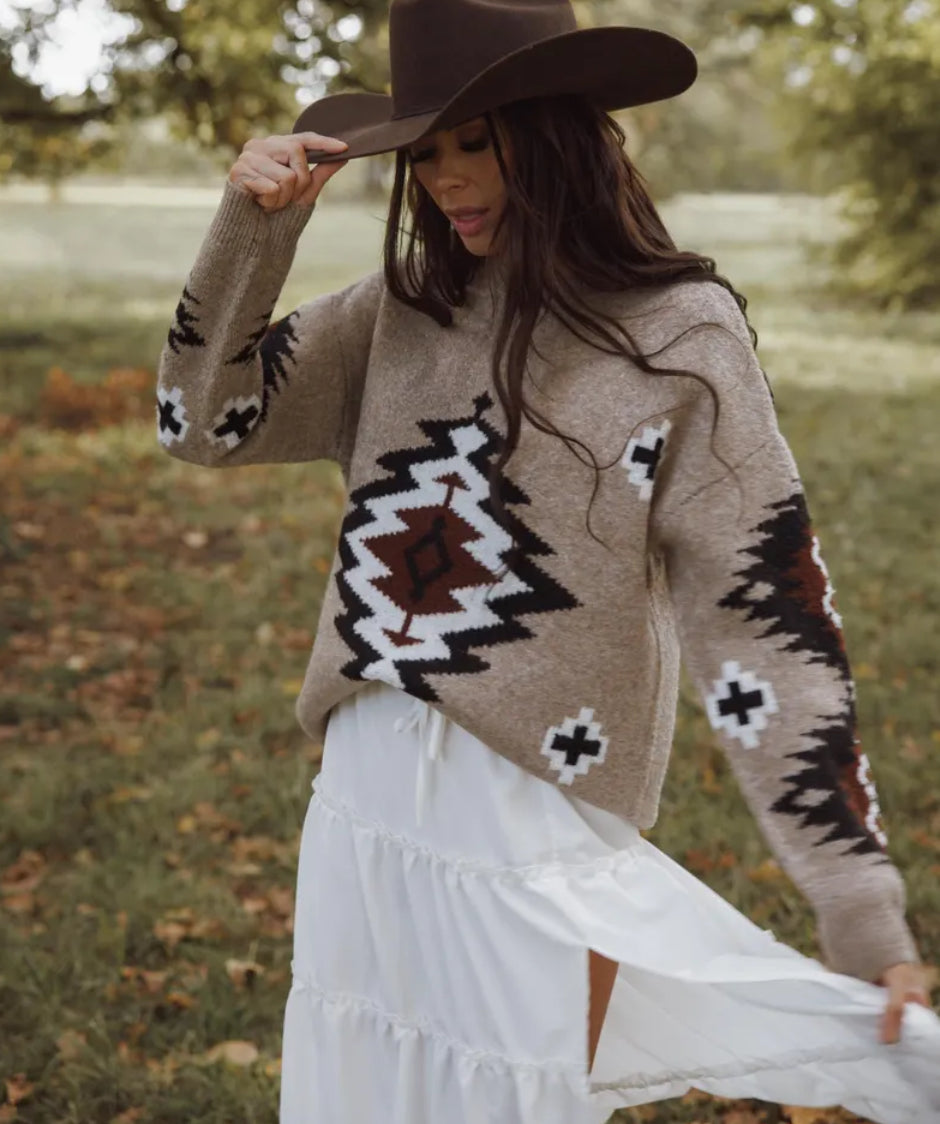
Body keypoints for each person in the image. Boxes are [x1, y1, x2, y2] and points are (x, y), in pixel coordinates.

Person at [155, 1, 940, 1121]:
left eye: (477, 143)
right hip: (368, 789)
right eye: (425, 153)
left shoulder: (678, 334)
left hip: (537, 806)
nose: (447, 180)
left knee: (515, 1096)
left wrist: (858, 905)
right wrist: (252, 229)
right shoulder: (403, 311)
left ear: (560, 135)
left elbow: (762, 615)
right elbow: (199, 422)